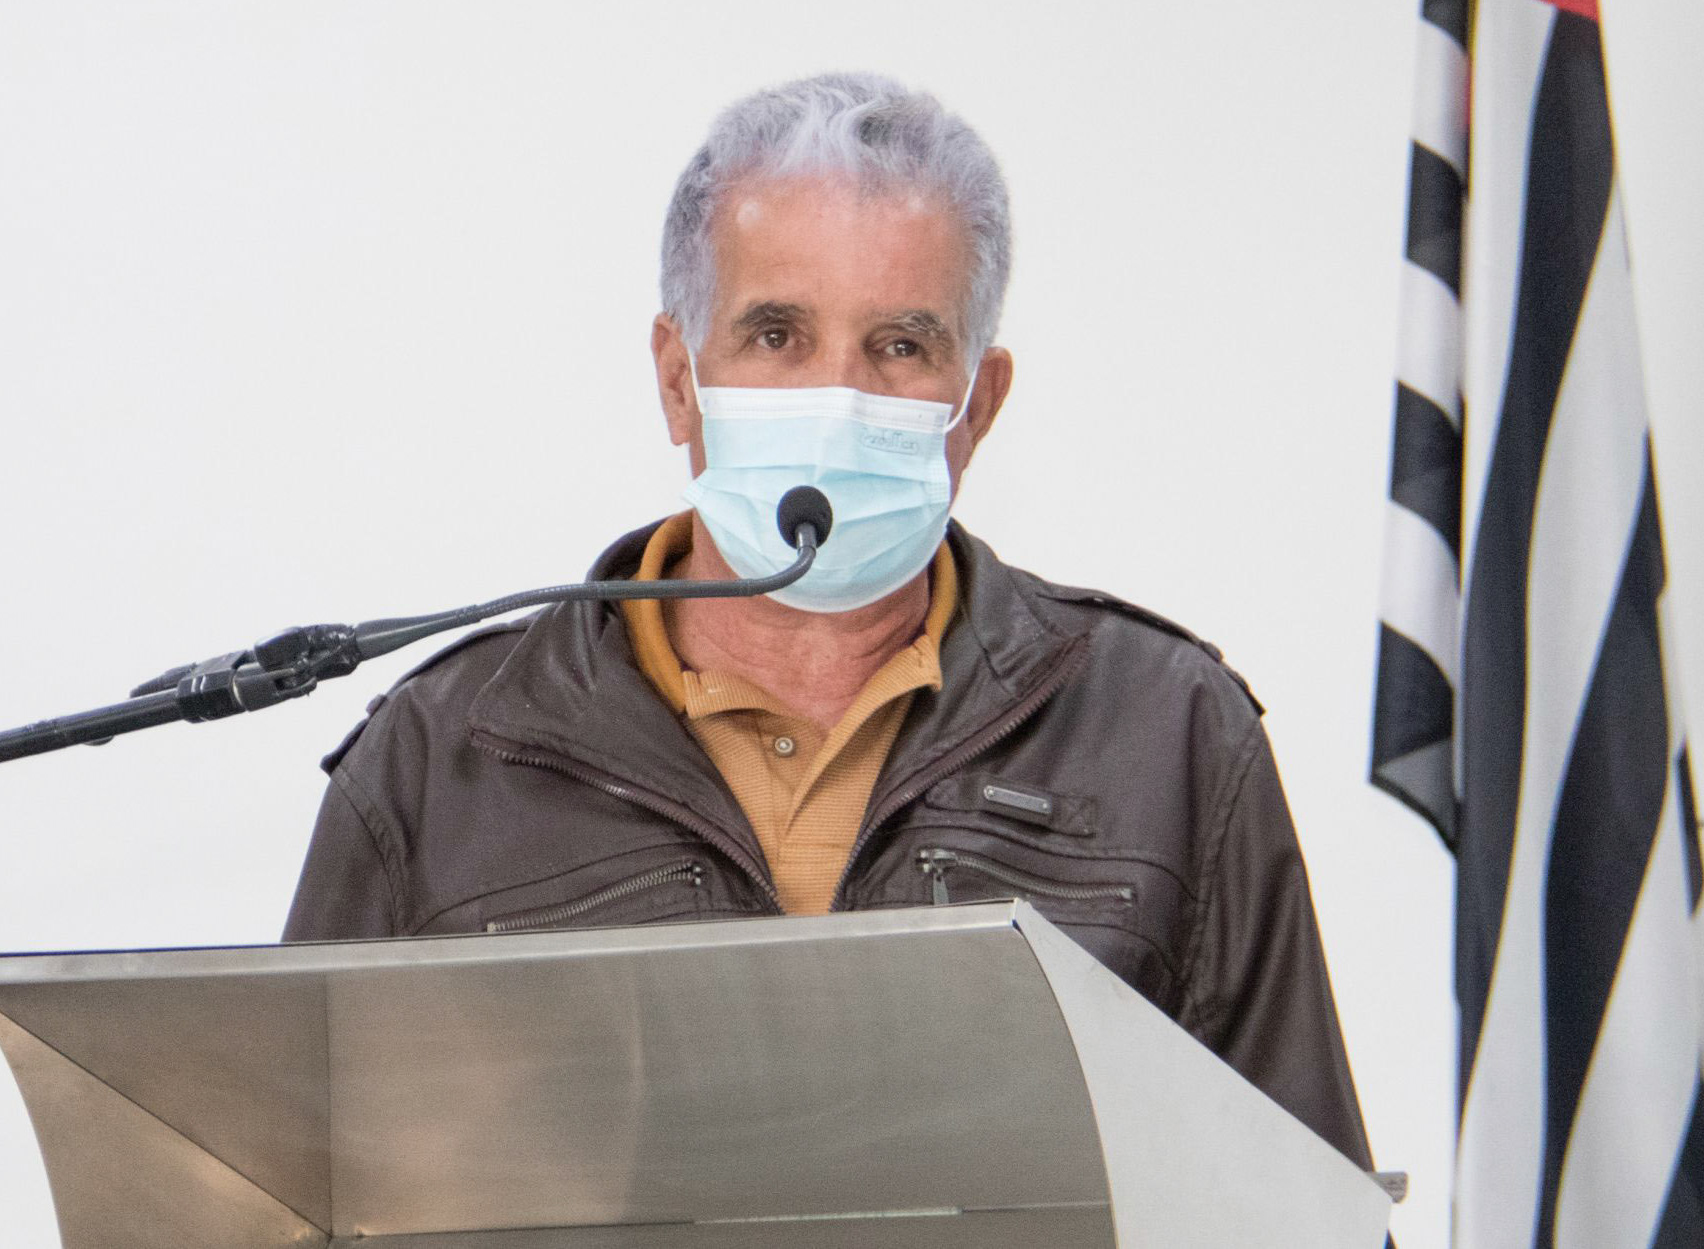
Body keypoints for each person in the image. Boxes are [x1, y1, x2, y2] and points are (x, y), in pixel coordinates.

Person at [284, 73, 1375, 1169]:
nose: (837, 400)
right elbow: (299, 1196)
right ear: (678, 380)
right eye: (776, 335)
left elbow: (1299, 1202)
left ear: (979, 405)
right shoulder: (445, 760)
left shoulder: (1167, 734)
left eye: (901, 346)